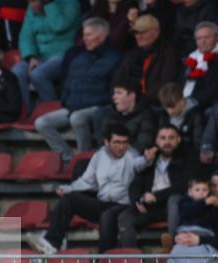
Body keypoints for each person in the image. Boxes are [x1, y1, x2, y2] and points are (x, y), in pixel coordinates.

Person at [26, 125, 153, 254]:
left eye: (124, 142)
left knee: (107, 216)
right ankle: (53, 242)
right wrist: (68, 188)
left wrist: (146, 160)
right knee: (69, 199)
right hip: (103, 203)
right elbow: (86, 181)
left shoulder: (131, 155)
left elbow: (139, 164)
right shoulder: (99, 156)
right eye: (117, 142)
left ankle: (105, 259)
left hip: (124, 206)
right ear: (107, 142)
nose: (121, 147)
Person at [34, 16, 122, 164]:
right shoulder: (79, 58)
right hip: (72, 107)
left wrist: (104, 103)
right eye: (84, 34)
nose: (85, 39)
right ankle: (68, 158)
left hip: (98, 106)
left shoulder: (115, 58)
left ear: (101, 36)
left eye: (89, 35)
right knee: (41, 123)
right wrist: (66, 101)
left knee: (77, 118)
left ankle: (83, 158)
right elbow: (68, 84)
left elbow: (116, 89)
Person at [117, 124, 187, 249]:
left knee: (174, 200)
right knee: (124, 217)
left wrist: (155, 196)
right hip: (149, 207)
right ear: (157, 141)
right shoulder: (149, 159)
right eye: (163, 138)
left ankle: (174, 247)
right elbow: (135, 185)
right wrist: (139, 200)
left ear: (178, 140)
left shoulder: (186, 159)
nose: (167, 142)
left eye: (171, 138)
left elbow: (182, 186)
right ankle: (132, 258)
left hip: (171, 207)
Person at [11, 0, 80, 111]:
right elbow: (25, 36)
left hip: (64, 54)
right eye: (30, 2)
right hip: (40, 55)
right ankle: (25, 111)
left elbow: (59, 26)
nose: (31, 5)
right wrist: (31, 56)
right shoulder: (31, 8)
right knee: (17, 71)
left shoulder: (70, 3)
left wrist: (49, 5)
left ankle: (52, 110)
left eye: (35, 2)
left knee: (38, 74)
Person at [112, 14, 179, 105]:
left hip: (153, 105)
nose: (138, 36)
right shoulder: (132, 54)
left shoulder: (168, 53)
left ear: (156, 32)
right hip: (128, 103)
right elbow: (118, 80)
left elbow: (165, 85)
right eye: (136, 33)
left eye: (142, 32)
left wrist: (138, 99)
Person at [97, 80, 156, 154]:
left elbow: (143, 144)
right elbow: (102, 141)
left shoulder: (146, 116)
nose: (114, 97)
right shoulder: (111, 114)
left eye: (119, 93)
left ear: (132, 96)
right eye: (114, 93)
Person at [156, 82, 205, 162]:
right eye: (167, 107)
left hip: (186, 158)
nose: (170, 111)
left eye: (173, 107)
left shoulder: (196, 115)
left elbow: (197, 144)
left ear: (182, 100)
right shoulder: (163, 115)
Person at [179, 21, 218, 109]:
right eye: (199, 38)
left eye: (207, 37)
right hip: (182, 102)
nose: (203, 41)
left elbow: (213, 90)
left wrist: (189, 103)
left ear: (217, 38)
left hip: (204, 106)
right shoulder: (191, 58)